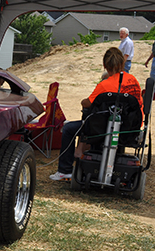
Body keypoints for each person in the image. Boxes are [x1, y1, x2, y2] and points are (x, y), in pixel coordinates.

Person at [50, 47, 142, 181]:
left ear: (105, 65)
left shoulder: (105, 85)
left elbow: (88, 103)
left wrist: (83, 101)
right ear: (123, 63)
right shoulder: (134, 81)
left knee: (69, 129)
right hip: (129, 129)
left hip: (102, 129)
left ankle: (64, 170)